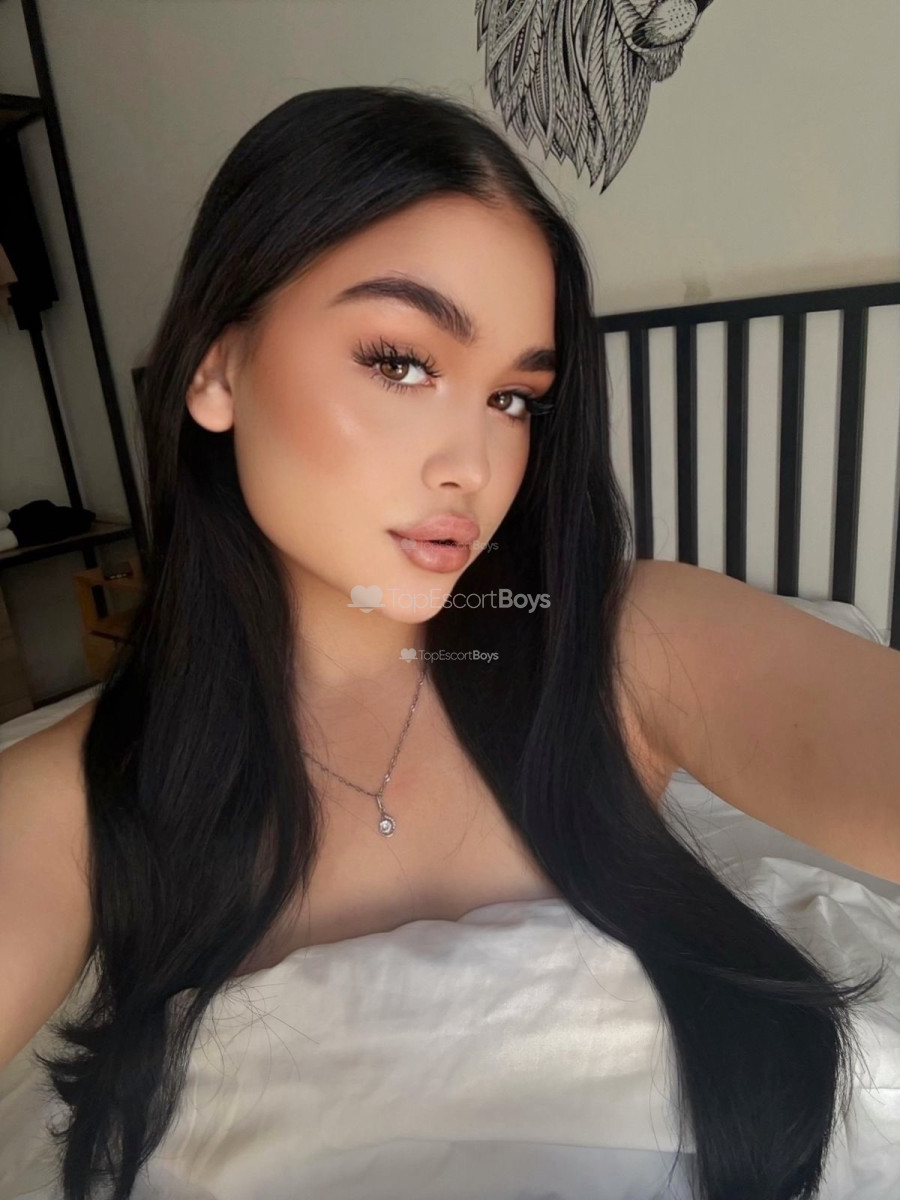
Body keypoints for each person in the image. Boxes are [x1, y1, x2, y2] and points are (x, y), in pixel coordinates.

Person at [0, 85, 892, 1200]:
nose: (473, 464)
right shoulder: (81, 794)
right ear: (216, 370)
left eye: (515, 399)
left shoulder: (626, 641)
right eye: (402, 361)